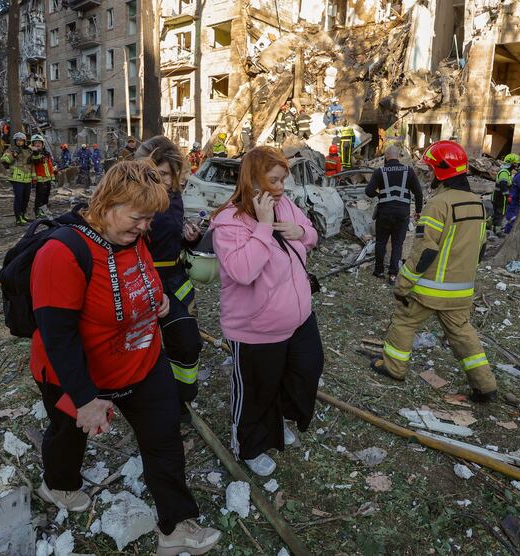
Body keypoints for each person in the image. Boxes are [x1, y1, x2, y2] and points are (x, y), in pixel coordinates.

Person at [30, 160, 221, 555]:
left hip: (141, 362)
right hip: (76, 372)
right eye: (138, 217)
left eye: (150, 219)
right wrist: (84, 399)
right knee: (68, 438)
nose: (145, 227)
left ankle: (176, 527)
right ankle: (59, 487)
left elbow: (139, 281)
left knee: (164, 439)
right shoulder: (62, 252)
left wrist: (159, 301)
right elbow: (57, 337)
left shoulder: (134, 238)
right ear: (107, 204)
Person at [210, 146, 324, 477]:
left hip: (299, 317)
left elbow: (312, 234)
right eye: (273, 180)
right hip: (256, 328)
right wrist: (262, 226)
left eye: (282, 180)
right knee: (257, 389)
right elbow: (244, 271)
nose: (280, 187)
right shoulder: (228, 221)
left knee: (307, 368)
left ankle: (280, 418)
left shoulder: (285, 205)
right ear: (254, 179)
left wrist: (302, 232)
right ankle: (249, 445)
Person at [378, 140, 497, 402]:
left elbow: (425, 251)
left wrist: (403, 284)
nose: (429, 174)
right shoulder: (477, 205)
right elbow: (480, 248)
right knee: (463, 335)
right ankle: (485, 385)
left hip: (429, 290)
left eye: (431, 169)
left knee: (404, 322)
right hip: (461, 291)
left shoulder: (438, 204)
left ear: (442, 172)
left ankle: (393, 368)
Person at [136, 136, 203, 424]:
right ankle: (149, 402)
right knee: (143, 348)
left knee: (188, 343)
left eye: (165, 174)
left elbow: (170, 238)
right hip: (141, 282)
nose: (160, 180)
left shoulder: (175, 198)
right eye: (155, 174)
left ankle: (182, 399)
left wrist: (190, 238)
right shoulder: (132, 199)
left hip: (175, 280)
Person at [365, 145, 423, 281]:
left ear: (386, 156)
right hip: (402, 214)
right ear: (398, 156)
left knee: (381, 242)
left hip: (384, 212)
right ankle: (392, 274)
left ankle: (379, 271)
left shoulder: (380, 171)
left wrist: (380, 194)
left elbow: (368, 191)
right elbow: (418, 193)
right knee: (397, 244)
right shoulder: (408, 171)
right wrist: (419, 211)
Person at [1, 131, 37, 225]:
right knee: (19, 198)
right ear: (15, 141)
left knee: (26, 198)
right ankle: (18, 218)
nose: (19, 142)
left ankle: (23, 215)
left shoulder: (28, 151)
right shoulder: (11, 149)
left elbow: (32, 165)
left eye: (21, 140)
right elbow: (4, 160)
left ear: (25, 141)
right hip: (16, 178)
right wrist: (13, 155)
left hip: (27, 179)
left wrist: (34, 178)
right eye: (17, 140)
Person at [494, 153, 520, 235]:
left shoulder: (507, 172)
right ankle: (497, 230)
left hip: (500, 196)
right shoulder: (504, 172)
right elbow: (503, 184)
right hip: (500, 197)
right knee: (500, 213)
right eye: (515, 163)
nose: (516, 166)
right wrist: (507, 195)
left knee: (498, 212)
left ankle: (489, 223)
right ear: (511, 163)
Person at [504, 156, 520, 234]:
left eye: (518, 164)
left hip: (515, 201)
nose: (516, 165)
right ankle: (508, 231)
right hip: (514, 199)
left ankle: (509, 232)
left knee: (511, 216)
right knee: (511, 216)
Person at [31, 134, 55, 219]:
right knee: (39, 197)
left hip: (47, 179)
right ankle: (37, 211)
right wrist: (35, 151)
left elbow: (49, 165)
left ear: (42, 144)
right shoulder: (33, 154)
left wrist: (52, 177)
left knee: (46, 196)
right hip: (39, 180)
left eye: (39, 143)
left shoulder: (46, 154)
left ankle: (44, 210)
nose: (37, 144)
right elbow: (36, 161)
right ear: (32, 144)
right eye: (35, 143)